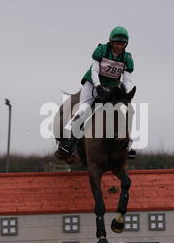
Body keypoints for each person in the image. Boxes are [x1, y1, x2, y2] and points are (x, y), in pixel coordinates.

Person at [55, 26, 136, 160]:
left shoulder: (127, 58)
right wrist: (98, 86)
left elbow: (127, 81)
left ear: (125, 44)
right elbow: (94, 71)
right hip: (92, 84)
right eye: (116, 43)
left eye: (122, 44)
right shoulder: (101, 50)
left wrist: (123, 94)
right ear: (111, 42)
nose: (118, 46)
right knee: (84, 109)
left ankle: (128, 145)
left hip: (112, 88)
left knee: (123, 112)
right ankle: (68, 143)